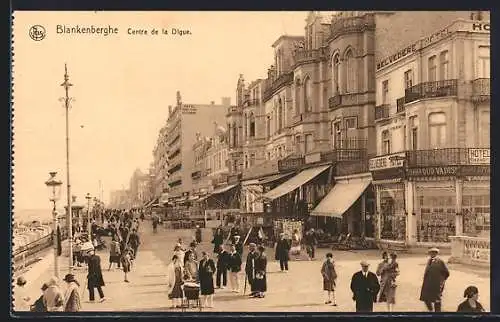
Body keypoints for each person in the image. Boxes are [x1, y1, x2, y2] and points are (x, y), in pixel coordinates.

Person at [420, 247, 450, 312]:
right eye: (431, 253)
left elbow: (447, 272)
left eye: (434, 253)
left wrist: (441, 281)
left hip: (437, 284)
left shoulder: (440, 261)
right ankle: (430, 309)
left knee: (437, 299)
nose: (432, 254)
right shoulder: (429, 261)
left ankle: (437, 313)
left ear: (436, 253)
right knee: (426, 298)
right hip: (428, 283)